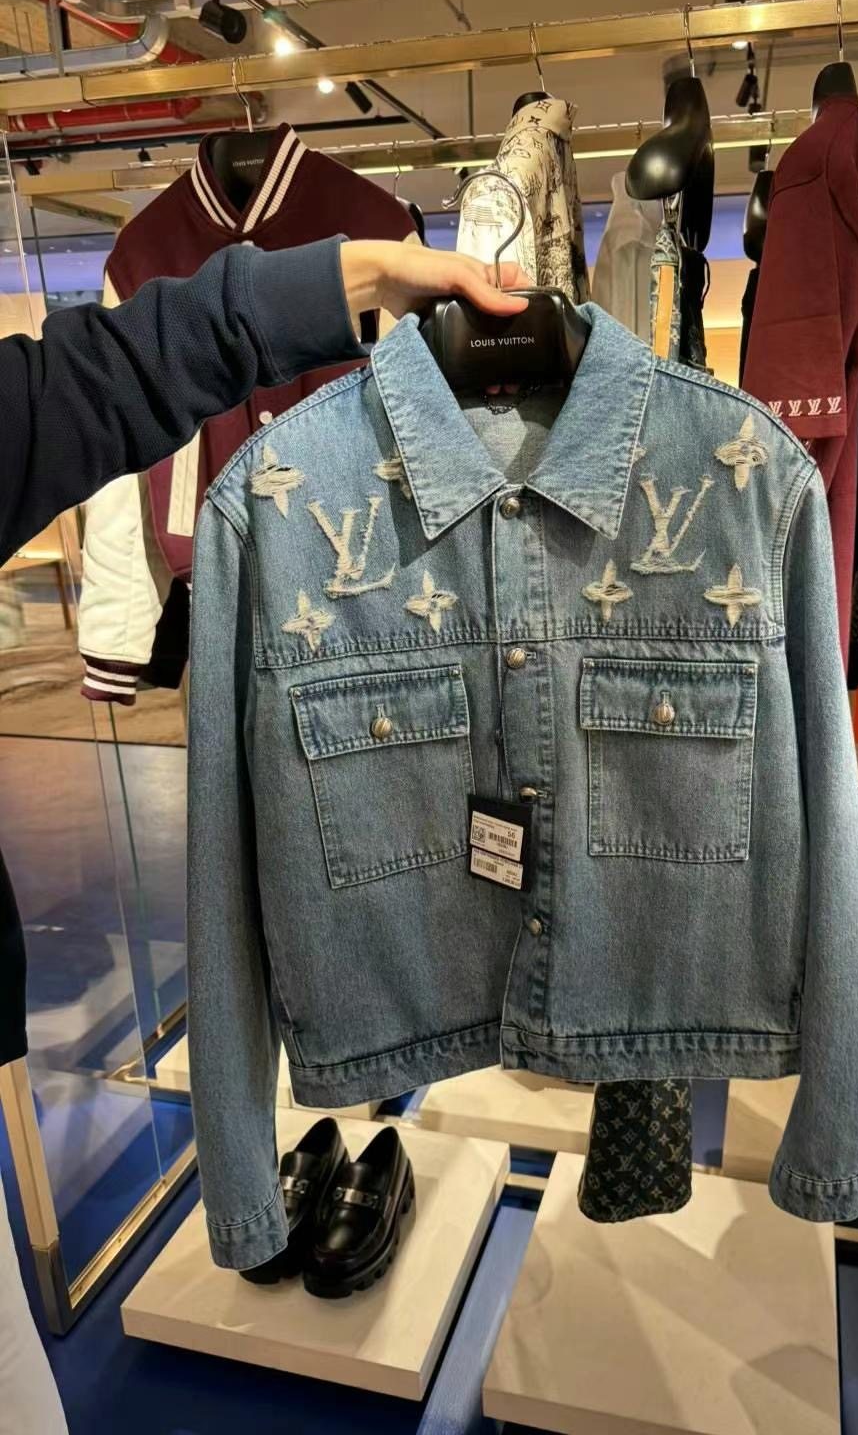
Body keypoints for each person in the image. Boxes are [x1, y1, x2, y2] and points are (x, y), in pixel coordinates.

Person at [0, 234, 527, 1434]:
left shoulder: (738, 473)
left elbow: (89, 383)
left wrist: (355, 273)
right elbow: (226, 875)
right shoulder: (255, 500)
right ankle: (309, 1157)